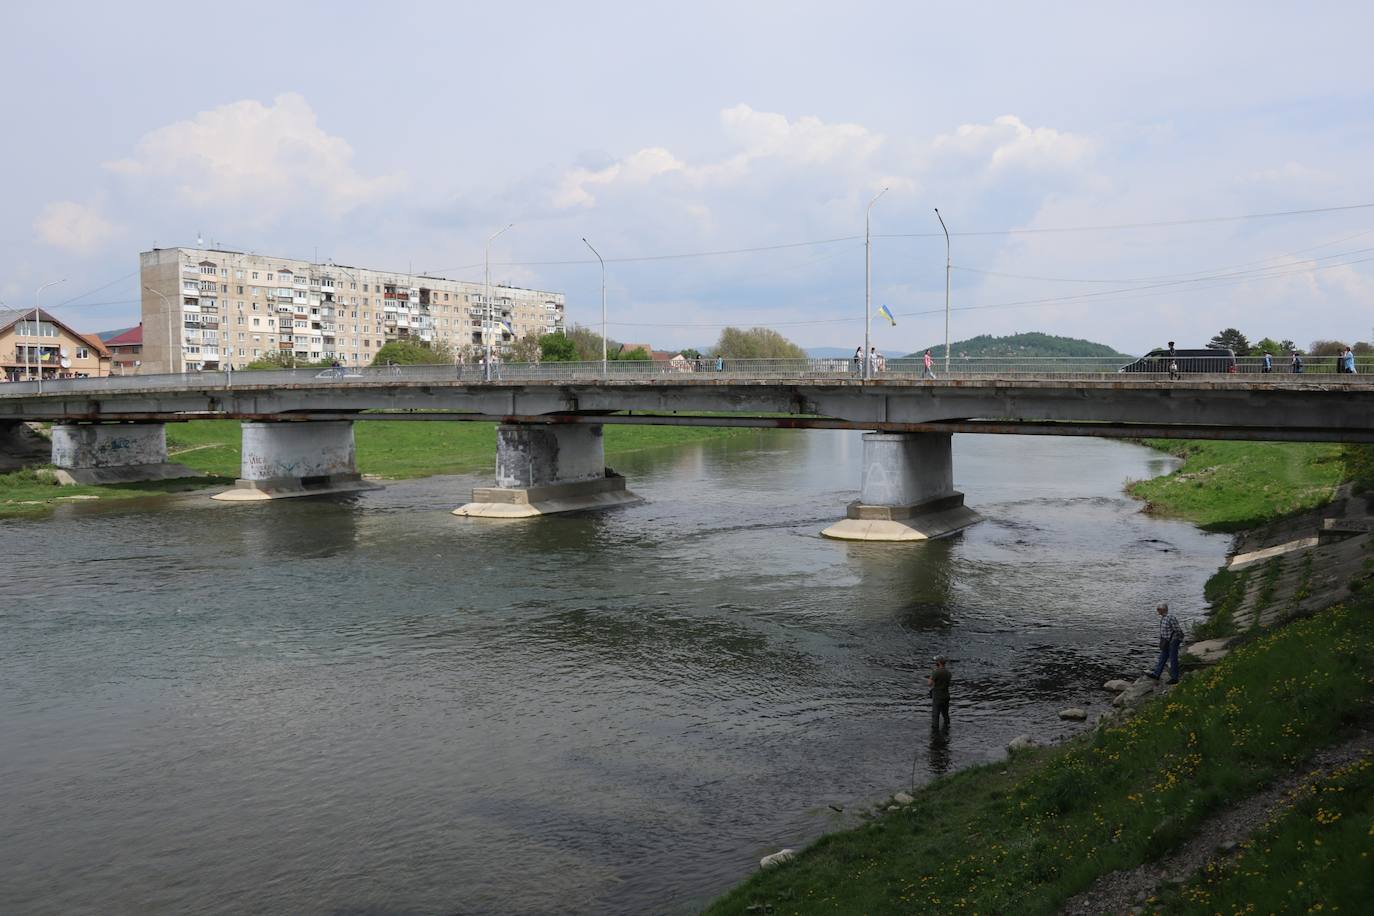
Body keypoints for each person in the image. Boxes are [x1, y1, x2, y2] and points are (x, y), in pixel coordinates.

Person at [1146, 602, 1184, 684]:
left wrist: (1176, 640)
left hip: (1173, 641)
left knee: (1173, 659)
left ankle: (1175, 678)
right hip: (1166, 641)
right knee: (1162, 657)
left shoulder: (1170, 618)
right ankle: (1156, 674)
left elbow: (1178, 630)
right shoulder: (1163, 618)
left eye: (1158, 609)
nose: (1157, 611)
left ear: (1163, 609)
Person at [928, 655, 951, 730]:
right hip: (946, 695)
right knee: (945, 714)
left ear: (939, 662)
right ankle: (947, 729)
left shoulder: (936, 672)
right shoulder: (948, 672)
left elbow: (929, 683)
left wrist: (932, 675)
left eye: (936, 661)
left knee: (935, 715)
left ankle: (935, 733)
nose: (935, 663)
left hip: (938, 696)